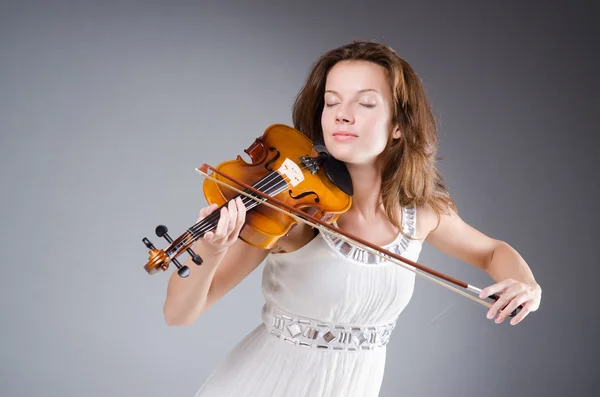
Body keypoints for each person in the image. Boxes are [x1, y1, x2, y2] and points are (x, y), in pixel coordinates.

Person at [162, 41, 542, 396]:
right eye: (332, 102)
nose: (342, 114)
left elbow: (492, 253)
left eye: (365, 103)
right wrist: (211, 251)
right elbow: (179, 315)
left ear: (398, 125)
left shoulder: (421, 212)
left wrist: (527, 286)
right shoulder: (292, 216)